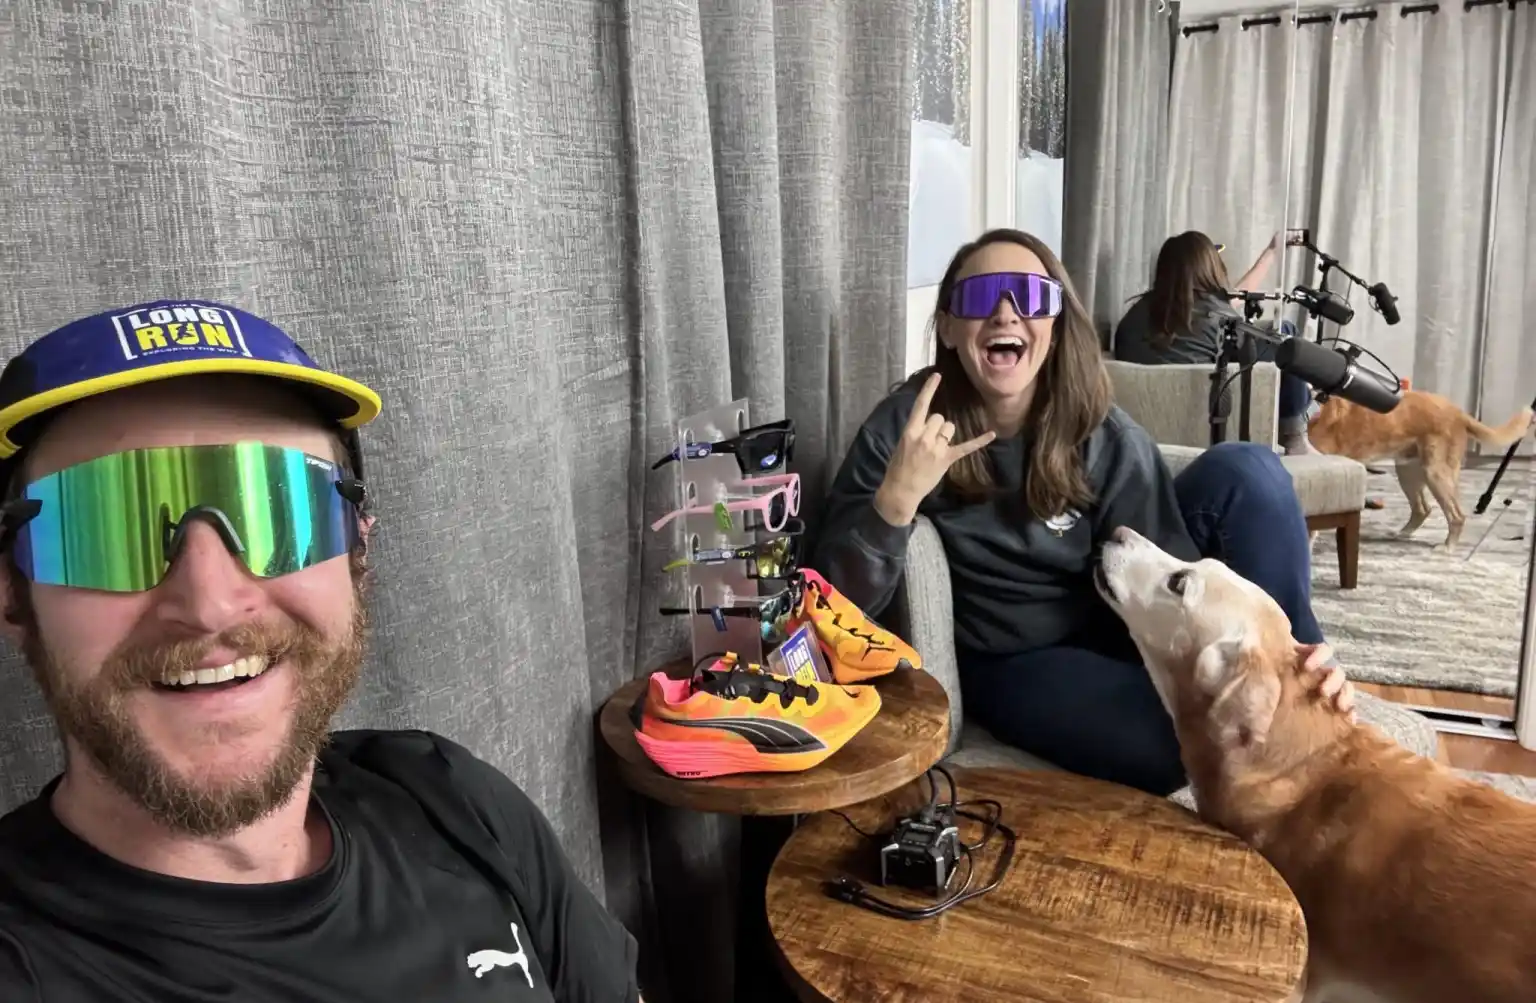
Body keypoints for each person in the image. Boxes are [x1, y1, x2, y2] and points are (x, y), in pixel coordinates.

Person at [0, 301, 642, 1002]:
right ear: (11, 593)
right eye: (101, 526)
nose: (210, 602)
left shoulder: (452, 799)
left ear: (359, 548)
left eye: (280, 510)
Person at [812, 229, 1352, 796]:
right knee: (1174, 745)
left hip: (1119, 621)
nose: (1005, 313)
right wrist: (895, 503)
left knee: (1250, 473)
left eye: (1030, 296)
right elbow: (830, 607)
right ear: (948, 326)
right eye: (980, 297)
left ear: (1056, 323)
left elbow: (1169, 567)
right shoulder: (907, 430)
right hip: (1018, 656)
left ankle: (1307, 676)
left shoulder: (1102, 432)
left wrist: (1262, 656)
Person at [1112, 230, 1314, 455]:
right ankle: (1295, 436)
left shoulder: (1130, 319)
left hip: (1140, 436)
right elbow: (1230, 315)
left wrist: (1271, 253)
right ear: (1211, 268)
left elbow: (1227, 305)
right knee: (1290, 342)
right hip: (1207, 427)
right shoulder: (1217, 318)